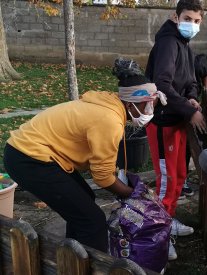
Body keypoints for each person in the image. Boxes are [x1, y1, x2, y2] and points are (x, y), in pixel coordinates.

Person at [3, 58, 166, 253]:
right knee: (92, 221)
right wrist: (132, 195)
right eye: (150, 106)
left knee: (85, 202)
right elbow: (103, 178)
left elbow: (100, 163)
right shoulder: (109, 120)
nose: (151, 112)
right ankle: (89, 265)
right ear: (131, 105)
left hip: (34, 152)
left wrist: (122, 187)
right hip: (29, 158)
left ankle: (73, 258)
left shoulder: (109, 103)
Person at [145, 0, 207, 261]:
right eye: (188, 18)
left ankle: (168, 222)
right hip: (163, 123)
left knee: (179, 175)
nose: (192, 25)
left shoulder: (186, 45)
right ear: (175, 16)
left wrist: (191, 97)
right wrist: (190, 110)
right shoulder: (168, 43)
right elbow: (162, 84)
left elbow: (191, 80)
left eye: (197, 21)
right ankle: (159, 235)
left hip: (177, 120)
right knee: (165, 181)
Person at [181, 53, 207, 198]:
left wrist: (205, 94)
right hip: (179, 106)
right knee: (182, 145)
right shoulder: (183, 71)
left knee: (187, 145)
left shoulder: (201, 62)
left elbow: (206, 81)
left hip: (191, 103)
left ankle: (182, 179)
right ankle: (181, 181)